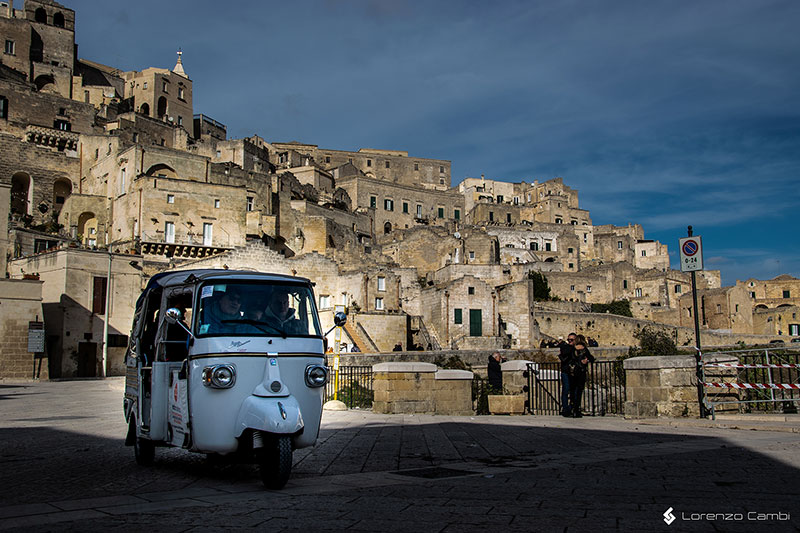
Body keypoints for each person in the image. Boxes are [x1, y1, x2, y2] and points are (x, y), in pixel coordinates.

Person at [567, 334, 595, 418]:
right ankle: (577, 410)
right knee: (579, 391)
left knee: (572, 391)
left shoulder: (572, 349)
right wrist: (586, 360)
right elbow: (592, 358)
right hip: (581, 372)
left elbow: (570, 359)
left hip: (572, 373)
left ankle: (572, 408)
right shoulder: (584, 350)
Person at [558, 332, 577, 417]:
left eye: (571, 340)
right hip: (565, 371)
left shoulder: (577, 349)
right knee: (566, 390)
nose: (570, 341)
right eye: (568, 340)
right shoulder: (565, 347)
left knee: (574, 391)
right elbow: (564, 351)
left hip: (575, 373)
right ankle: (566, 409)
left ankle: (573, 408)